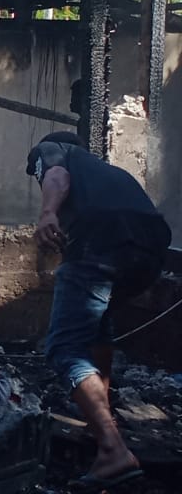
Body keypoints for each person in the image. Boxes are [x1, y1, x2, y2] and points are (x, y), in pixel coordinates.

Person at [27, 131, 171, 490]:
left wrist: (47, 213)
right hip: (150, 250)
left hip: (101, 240)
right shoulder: (111, 172)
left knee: (64, 347)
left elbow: (57, 176)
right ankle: (101, 421)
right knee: (96, 327)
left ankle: (113, 449)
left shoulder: (55, 151)